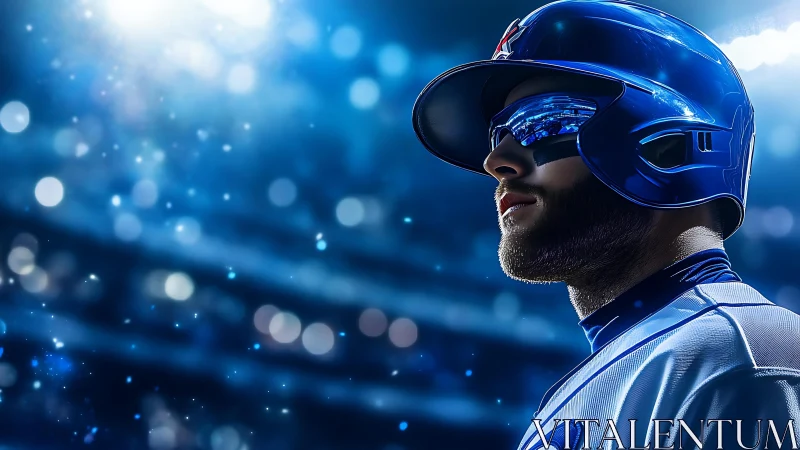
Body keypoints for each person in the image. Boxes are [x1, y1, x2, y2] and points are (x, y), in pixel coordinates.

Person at [411, 1, 800, 449]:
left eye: (544, 122)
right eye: (499, 134)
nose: (495, 161)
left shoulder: (741, 357)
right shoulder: (648, 366)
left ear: (671, 148)